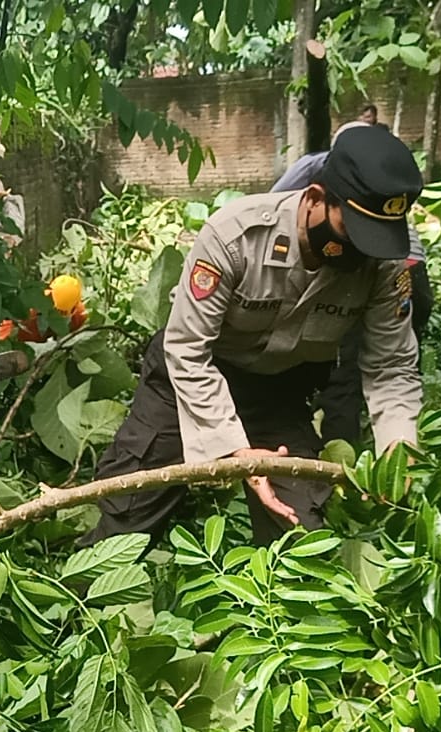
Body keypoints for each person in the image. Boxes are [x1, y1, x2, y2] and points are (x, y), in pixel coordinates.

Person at [81, 127, 423, 548]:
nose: (363, 250)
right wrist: (235, 452)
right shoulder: (235, 236)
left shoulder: (384, 265)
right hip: (190, 378)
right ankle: (80, 603)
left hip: (279, 390)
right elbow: (187, 349)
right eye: (353, 229)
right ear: (316, 199)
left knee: (301, 533)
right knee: (126, 515)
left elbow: (391, 365)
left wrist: (399, 449)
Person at [273, 120, 435, 445]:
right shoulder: (381, 170)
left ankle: (357, 449)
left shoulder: (320, 165)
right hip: (412, 269)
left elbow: (276, 200)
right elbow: (276, 212)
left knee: (350, 369)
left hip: (391, 268)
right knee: (372, 363)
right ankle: (350, 454)